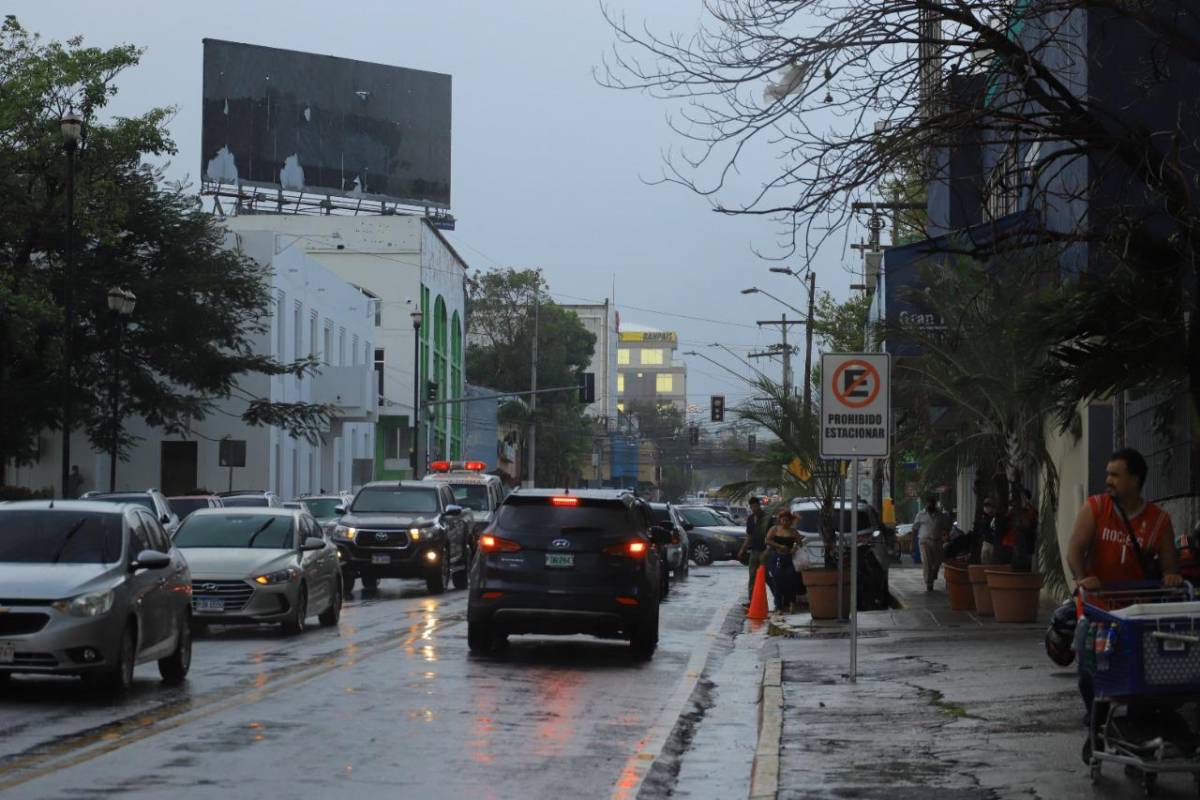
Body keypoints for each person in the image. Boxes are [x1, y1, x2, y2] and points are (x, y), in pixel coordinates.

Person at [1066, 448, 1182, 721]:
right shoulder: (1095, 508)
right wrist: (1083, 577)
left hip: (1137, 616)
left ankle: (1134, 734)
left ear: (1135, 479)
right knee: (1089, 674)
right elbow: (1074, 550)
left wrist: (1171, 576)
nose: (1108, 480)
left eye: (1115, 475)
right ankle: (1096, 719)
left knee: (1139, 678)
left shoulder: (1158, 521)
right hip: (1099, 610)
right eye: (1108, 474)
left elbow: (1170, 567)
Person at [765, 510, 804, 612]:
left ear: (791, 521)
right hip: (776, 557)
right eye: (783, 520)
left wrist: (794, 549)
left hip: (788, 558)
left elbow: (800, 544)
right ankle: (778, 605)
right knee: (776, 580)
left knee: (791, 580)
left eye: (787, 520)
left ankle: (791, 603)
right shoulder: (775, 529)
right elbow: (767, 540)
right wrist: (779, 546)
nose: (785, 522)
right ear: (780, 520)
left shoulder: (793, 532)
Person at [738, 497, 770, 605]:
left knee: (765, 577)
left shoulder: (767, 517)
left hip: (765, 551)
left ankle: (777, 600)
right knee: (752, 576)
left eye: (756, 506)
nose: (754, 508)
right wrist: (743, 549)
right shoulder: (750, 519)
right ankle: (752, 601)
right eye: (752, 506)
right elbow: (750, 536)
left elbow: (771, 536)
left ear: (759, 505)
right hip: (754, 551)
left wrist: (768, 551)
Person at [913, 497, 947, 591]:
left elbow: (947, 526)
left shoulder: (940, 515)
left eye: (931, 504)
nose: (929, 506)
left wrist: (945, 535)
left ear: (934, 505)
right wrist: (913, 543)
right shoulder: (920, 515)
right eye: (928, 504)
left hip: (937, 541)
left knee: (936, 563)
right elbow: (915, 528)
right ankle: (929, 583)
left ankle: (933, 575)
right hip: (924, 541)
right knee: (927, 562)